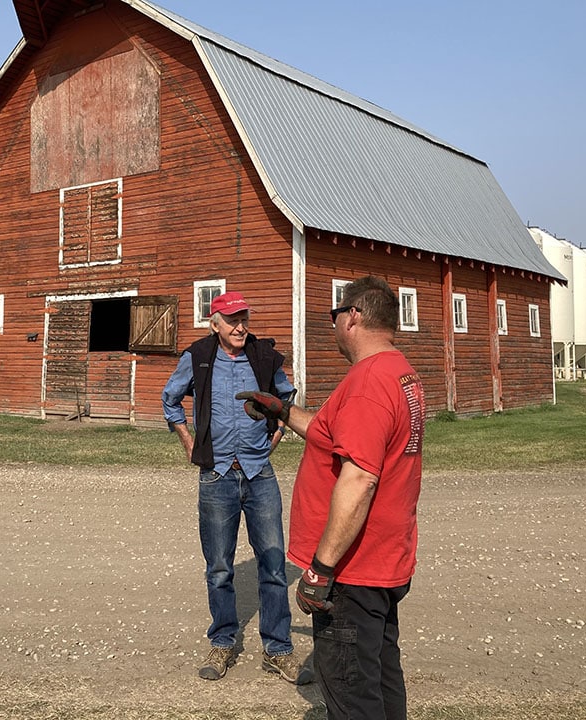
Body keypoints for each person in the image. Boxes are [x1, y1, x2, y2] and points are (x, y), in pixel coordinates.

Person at [237, 276, 425, 719]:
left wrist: (321, 569)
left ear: (353, 316)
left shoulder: (368, 384)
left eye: (334, 315)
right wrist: (282, 410)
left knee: (352, 694)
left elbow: (359, 479)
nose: (334, 323)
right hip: (384, 561)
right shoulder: (399, 373)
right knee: (379, 678)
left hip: (353, 571)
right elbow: (334, 434)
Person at [161, 290, 312, 685]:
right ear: (215, 324)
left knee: (274, 565)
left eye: (243, 317)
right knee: (220, 567)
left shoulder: (263, 356)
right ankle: (223, 641)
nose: (240, 326)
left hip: (259, 473)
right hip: (217, 476)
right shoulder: (197, 356)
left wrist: (276, 436)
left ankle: (278, 650)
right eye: (231, 320)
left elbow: (285, 398)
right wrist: (188, 442)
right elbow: (170, 399)